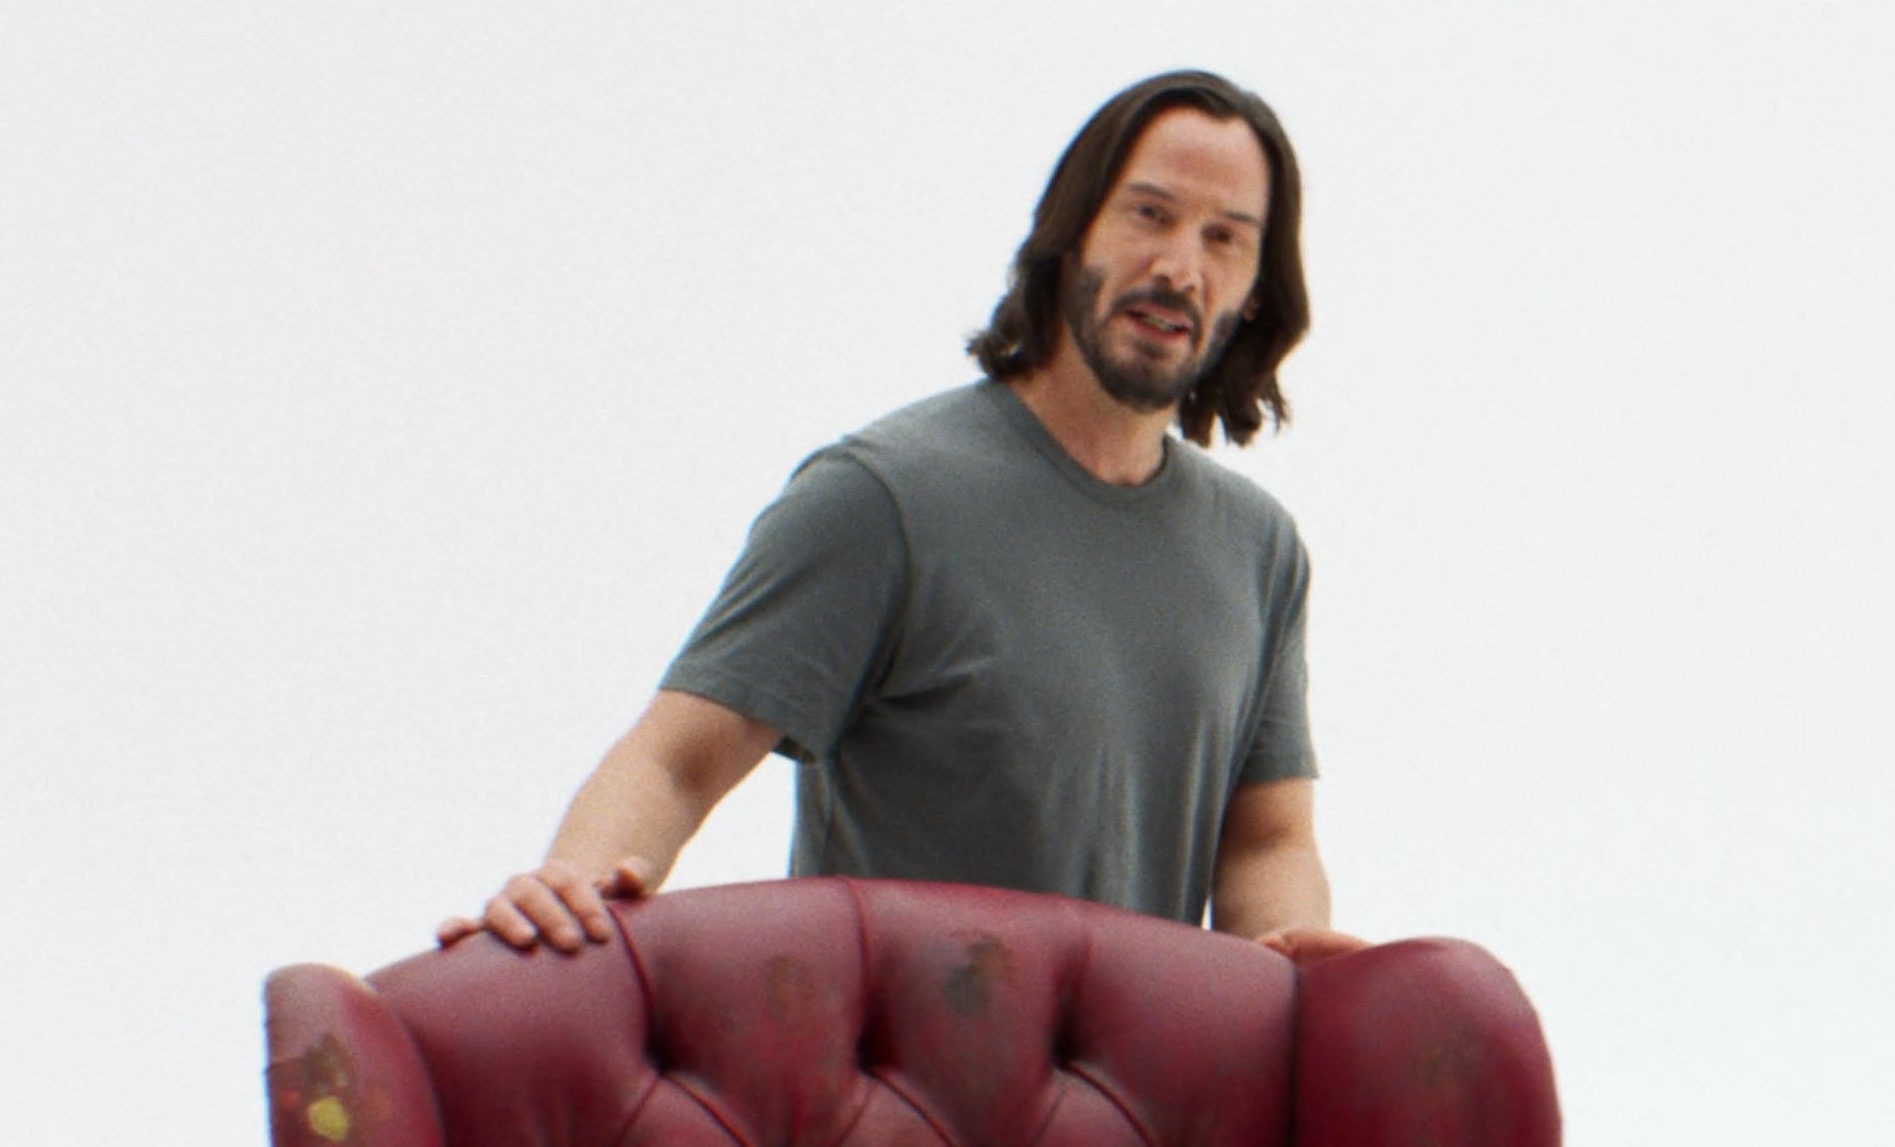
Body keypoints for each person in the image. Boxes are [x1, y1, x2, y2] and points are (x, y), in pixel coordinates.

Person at [439, 70, 1363, 964]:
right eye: (1149, 215)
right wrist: (569, 891)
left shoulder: (1258, 551)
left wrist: (1298, 970)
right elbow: (677, 761)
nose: (1179, 269)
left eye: (1224, 239)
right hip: (889, 1066)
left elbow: (1266, 843)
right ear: (1071, 231)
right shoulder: (883, 498)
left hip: (1137, 1074)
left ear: (1256, 290)